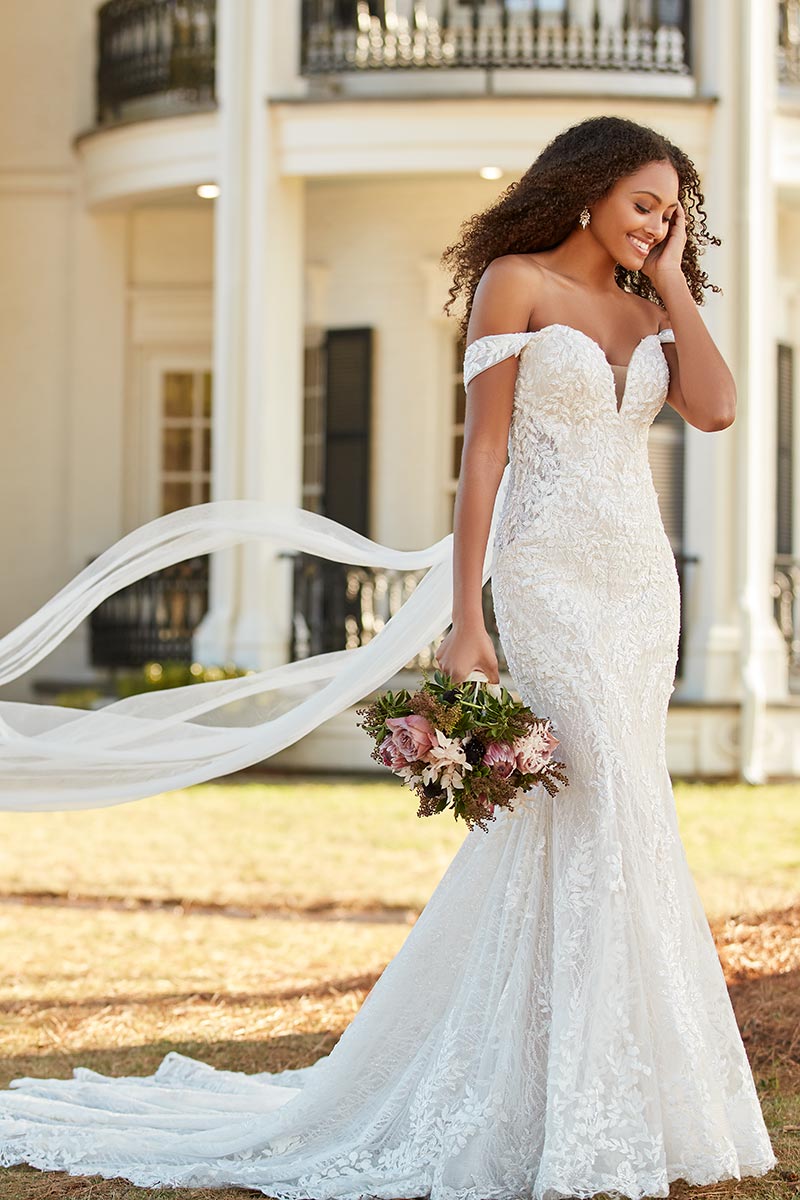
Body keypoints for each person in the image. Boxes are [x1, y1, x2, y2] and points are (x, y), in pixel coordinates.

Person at [0, 115, 777, 1197]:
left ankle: (613, 1082)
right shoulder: (513, 281)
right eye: (641, 201)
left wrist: (677, 280)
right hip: (548, 571)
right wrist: (466, 619)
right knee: (591, 798)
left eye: (669, 207)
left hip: (641, 586)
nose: (655, 220)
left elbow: (718, 407)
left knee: (625, 807)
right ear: (587, 190)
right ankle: (557, 1083)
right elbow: (485, 459)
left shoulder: (649, 307)